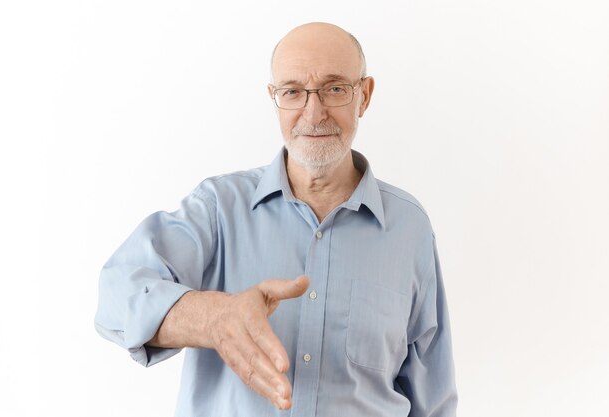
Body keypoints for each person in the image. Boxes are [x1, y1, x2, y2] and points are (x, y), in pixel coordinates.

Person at [95, 22, 457, 417]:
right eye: (293, 92)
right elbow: (117, 294)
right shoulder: (218, 207)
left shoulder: (410, 228)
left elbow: (433, 399)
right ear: (275, 99)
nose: (313, 113)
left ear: (364, 96)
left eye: (334, 88)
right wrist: (214, 318)